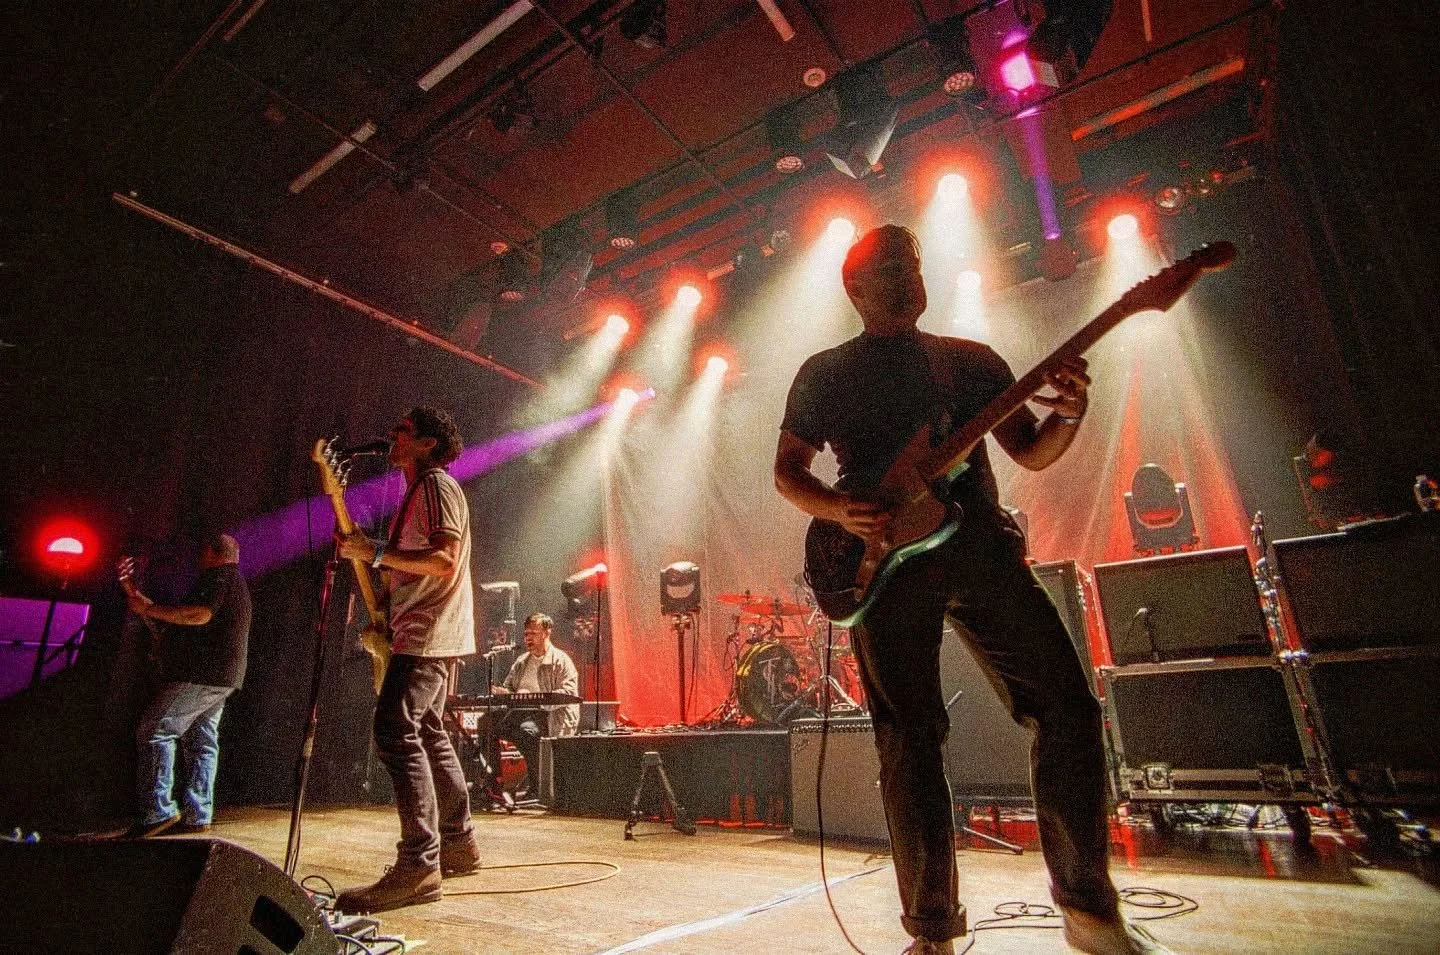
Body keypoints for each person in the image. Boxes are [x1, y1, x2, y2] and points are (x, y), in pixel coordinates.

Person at [773, 225, 1170, 955]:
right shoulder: (825, 372)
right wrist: (838, 508)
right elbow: (787, 471)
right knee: (910, 738)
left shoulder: (971, 361)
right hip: (882, 564)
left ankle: (1088, 911)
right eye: (891, 269)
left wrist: (1071, 411)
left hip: (981, 546)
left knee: (1069, 707)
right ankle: (931, 933)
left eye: (916, 263)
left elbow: (1032, 450)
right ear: (854, 289)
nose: (909, 277)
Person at [335, 406, 481, 914]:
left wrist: (373, 553)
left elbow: (443, 561)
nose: (392, 437)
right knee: (429, 730)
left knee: (395, 730)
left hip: (427, 632)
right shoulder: (419, 492)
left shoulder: (437, 486)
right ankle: (458, 842)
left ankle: (419, 864)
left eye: (403, 431)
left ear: (428, 443)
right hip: (424, 628)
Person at [124, 533, 251, 838]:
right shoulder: (232, 581)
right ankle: (198, 814)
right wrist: (140, 600)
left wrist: (150, 610)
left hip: (202, 676)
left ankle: (158, 812)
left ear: (211, 552)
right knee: (201, 741)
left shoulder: (220, 578)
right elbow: (178, 623)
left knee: (155, 730)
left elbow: (199, 615)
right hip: (221, 677)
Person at [493, 612, 580, 796]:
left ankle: (537, 785)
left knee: (526, 731)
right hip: (518, 714)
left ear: (547, 633)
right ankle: (494, 784)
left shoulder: (561, 661)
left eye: (533, 633)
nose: (528, 638)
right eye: (526, 634)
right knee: (487, 723)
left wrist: (535, 698)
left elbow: (569, 693)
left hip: (547, 715)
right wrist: (504, 694)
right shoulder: (521, 662)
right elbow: (509, 689)